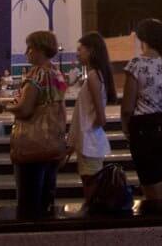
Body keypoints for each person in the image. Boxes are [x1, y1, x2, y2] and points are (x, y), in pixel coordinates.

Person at [0, 30, 67, 217]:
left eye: (30, 48)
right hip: (52, 142)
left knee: (28, 202)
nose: (27, 52)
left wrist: (3, 107)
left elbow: (25, 109)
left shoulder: (37, 74)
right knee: (46, 198)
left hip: (33, 145)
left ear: (41, 49)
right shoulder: (57, 74)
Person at [122, 18, 162, 199]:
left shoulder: (137, 63)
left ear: (143, 39)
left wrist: (126, 127)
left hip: (144, 129)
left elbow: (127, 106)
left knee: (151, 183)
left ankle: (159, 224)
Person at [68, 32, 116, 201]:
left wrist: (87, 133)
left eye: (80, 49)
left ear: (91, 51)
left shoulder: (94, 76)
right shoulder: (95, 75)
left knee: (91, 187)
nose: (77, 53)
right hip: (87, 141)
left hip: (90, 143)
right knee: (89, 184)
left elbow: (100, 117)